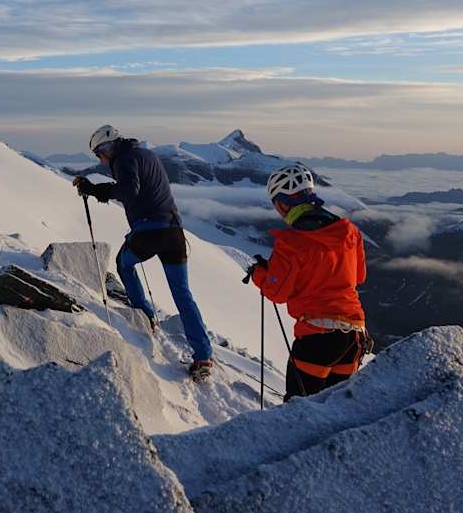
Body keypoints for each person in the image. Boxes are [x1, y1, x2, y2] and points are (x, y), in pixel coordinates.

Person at [73, 125, 214, 379]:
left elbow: (129, 191)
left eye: (99, 154)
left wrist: (94, 190)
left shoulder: (123, 159)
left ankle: (144, 316)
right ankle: (203, 356)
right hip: (174, 231)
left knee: (124, 264)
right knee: (183, 295)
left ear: (107, 148)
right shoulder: (145, 154)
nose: (100, 160)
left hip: (150, 231)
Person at [249, 163, 370, 400]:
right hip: (354, 335)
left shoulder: (291, 243)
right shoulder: (349, 231)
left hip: (316, 338)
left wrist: (258, 274)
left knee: (298, 412)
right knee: (336, 411)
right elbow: (359, 277)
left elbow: (276, 293)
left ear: (281, 204)